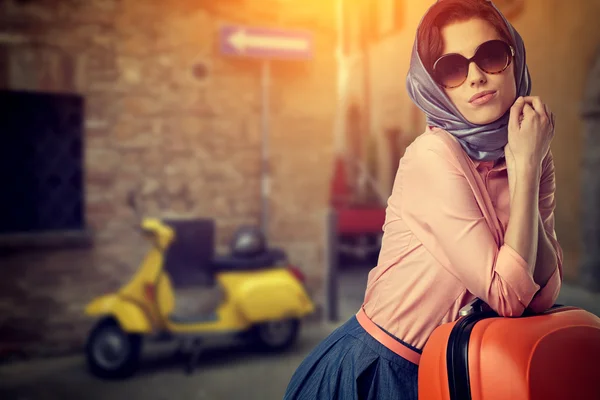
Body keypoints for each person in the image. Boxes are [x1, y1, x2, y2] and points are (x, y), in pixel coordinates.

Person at [282, 0, 563, 399]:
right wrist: (528, 169)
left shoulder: (529, 149)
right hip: (381, 371)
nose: (477, 77)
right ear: (434, 84)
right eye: (452, 68)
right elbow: (506, 297)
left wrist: (525, 166)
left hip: (452, 372)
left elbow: (543, 296)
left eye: (491, 55)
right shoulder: (432, 155)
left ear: (514, 58)